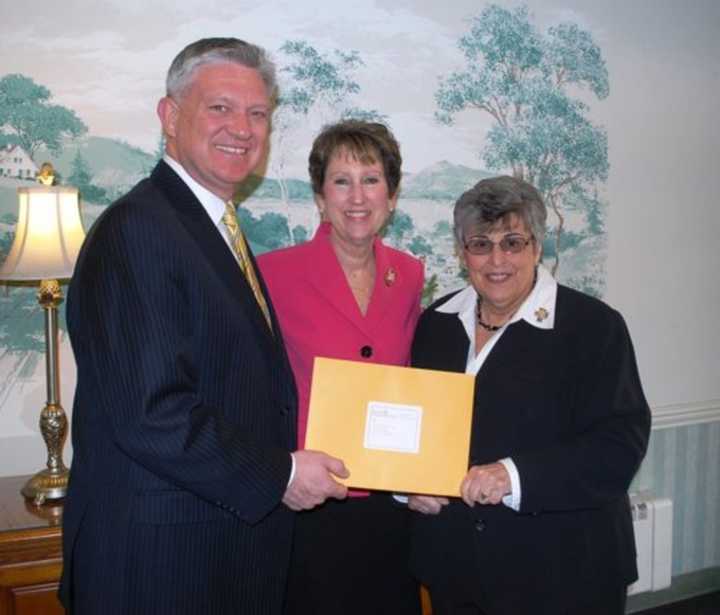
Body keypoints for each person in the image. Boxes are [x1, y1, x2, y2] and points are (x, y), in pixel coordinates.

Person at [59, 38, 349, 615]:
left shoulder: (210, 226)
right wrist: (282, 473)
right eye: (219, 107)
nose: (241, 127)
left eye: (257, 113)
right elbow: (154, 413)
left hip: (213, 553)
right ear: (170, 116)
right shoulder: (139, 230)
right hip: (161, 567)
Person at [408, 176, 650, 615]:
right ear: (463, 253)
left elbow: (619, 447)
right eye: (481, 244)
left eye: (513, 242)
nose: (497, 259)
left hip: (564, 573)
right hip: (456, 568)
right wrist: (409, 486)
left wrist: (511, 476)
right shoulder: (435, 324)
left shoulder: (594, 328)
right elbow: (418, 426)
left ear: (537, 247)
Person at [258, 119, 423, 615]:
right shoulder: (273, 274)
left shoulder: (410, 273)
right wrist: (275, 473)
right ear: (320, 195)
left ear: (391, 196)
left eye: (371, 179)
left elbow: (410, 377)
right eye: (341, 180)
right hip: (309, 500)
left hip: (388, 503)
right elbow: (252, 388)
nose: (357, 197)